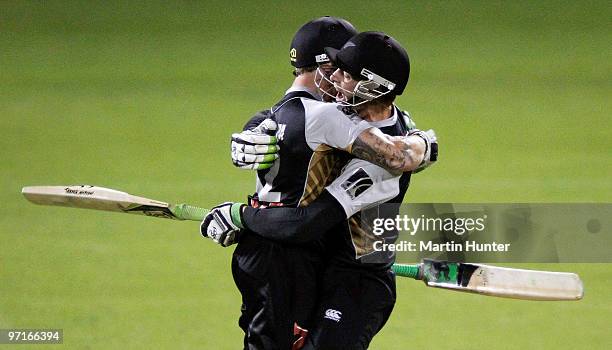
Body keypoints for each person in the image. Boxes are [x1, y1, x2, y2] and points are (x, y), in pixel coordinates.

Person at [204, 31, 437, 349]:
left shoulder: (380, 166)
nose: (333, 77)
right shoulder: (354, 115)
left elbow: (305, 222)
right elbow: (294, 110)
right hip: (323, 266)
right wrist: (255, 128)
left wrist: (240, 215)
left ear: (373, 86)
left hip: (358, 281)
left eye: (345, 73)